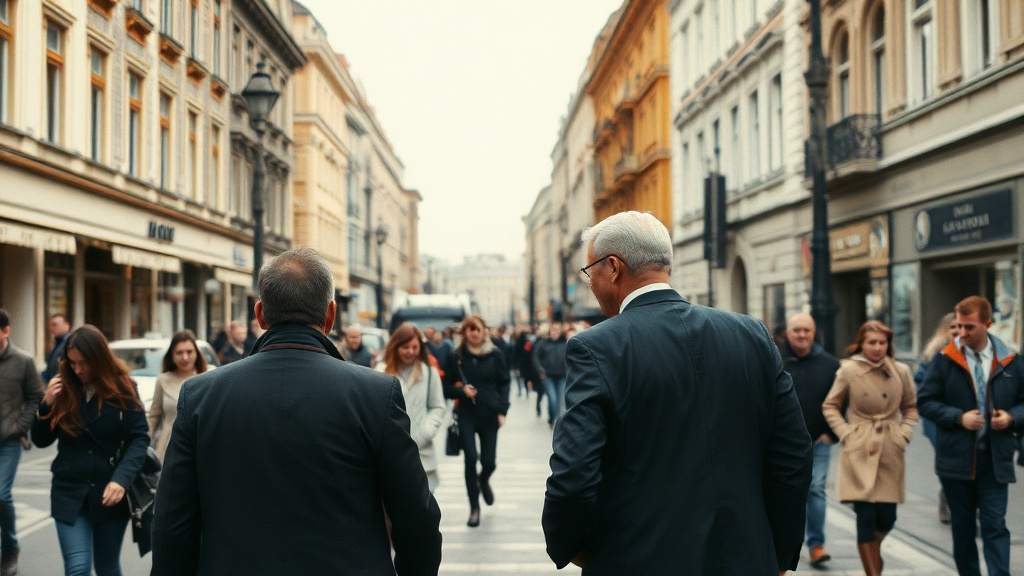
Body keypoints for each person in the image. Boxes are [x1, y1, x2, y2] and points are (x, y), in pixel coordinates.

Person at [542, 211, 812, 574]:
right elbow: (794, 455)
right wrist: (777, 554)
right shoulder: (752, 335)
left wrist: (572, 546)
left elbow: (574, 476)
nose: (591, 283)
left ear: (614, 267)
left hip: (638, 558)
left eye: (590, 272)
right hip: (745, 557)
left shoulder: (597, 348)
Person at [151, 247, 441, 575]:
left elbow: (172, 524)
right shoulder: (374, 395)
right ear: (330, 316)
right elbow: (416, 517)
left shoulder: (200, 396)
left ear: (260, 315)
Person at [918, 296, 1024, 576]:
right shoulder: (945, 359)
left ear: (987, 324)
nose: (961, 333)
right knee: (963, 530)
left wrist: (1011, 417)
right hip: (956, 461)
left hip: (995, 460)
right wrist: (957, 417)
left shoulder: (1011, 360)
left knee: (995, 525)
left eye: (969, 327)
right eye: (959, 326)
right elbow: (925, 402)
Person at [32, 325, 149, 576]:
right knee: (78, 568)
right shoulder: (64, 387)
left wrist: (121, 480)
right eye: (72, 363)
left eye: (83, 363)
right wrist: (46, 405)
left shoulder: (124, 388)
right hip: (69, 491)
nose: (78, 370)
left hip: (109, 493)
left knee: (107, 568)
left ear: (99, 358)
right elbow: (41, 441)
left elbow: (139, 438)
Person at [822, 320, 918, 576]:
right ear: (861, 344)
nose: (877, 348)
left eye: (882, 342)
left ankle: (873, 557)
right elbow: (830, 405)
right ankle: (873, 572)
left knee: (888, 518)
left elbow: (910, 407)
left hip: (889, 447)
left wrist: (903, 434)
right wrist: (846, 434)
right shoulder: (849, 370)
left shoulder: (901, 371)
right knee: (864, 517)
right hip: (859, 449)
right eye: (872, 342)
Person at [779, 312, 840, 567]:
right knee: (787, 493)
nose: (802, 335)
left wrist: (832, 433)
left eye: (807, 330)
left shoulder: (831, 364)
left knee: (815, 490)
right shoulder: (776, 361)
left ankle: (816, 545)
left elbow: (842, 400)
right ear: (788, 334)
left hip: (819, 441)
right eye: (797, 330)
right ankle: (787, 545)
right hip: (783, 443)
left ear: (814, 334)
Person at [442, 315, 510, 528]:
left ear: (484, 331)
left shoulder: (495, 354)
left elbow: (504, 383)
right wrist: (461, 390)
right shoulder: (456, 356)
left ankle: (484, 480)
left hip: (490, 413)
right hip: (467, 414)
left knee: (489, 462)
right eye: (470, 330)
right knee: (470, 458)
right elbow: (445, 388)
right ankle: (474, 508)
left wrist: (502, 410)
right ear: (464, 333)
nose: (474, 333)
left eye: (477, 329)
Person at [376, 323, 446, 492]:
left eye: (415, 347)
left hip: (422, 452)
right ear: (395, 346)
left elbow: (437, 407)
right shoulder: (380, 371)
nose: (411, 351)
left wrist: (426, 431)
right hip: (390, 454)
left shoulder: (429, 372)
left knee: (423, 510)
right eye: (405, 347)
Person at [0, 309, 44, 576]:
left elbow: (37, 396)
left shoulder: (23, 361)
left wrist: (19, 426)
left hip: (9, 441)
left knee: (1, 496)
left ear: (6, 331)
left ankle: (10, 548)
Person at [914, 311, 957, 524]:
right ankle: (947, 499)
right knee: (946, 457)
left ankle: (957, 499)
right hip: (936, 416)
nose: (957, 331)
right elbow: (920, 380)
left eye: (962, 326)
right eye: (953, 327)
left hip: (959, 415)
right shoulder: (935, 351)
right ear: (945, 329)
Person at [148, 330, 208, 463]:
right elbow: (153, 417)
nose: (185, 357)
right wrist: (143, 446)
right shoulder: (163, 380)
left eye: (189, 352)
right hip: (168, 449)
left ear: (197, 353)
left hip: (201, 446)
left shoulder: (208, 379)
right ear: (172, 356)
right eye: (179, 353)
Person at [532, 322, 568, 429]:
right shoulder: (543, 343)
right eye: (553, 329)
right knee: (552, 398)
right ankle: (552, 418)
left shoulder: (565, 342)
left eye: (557, 330)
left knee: (560, 399)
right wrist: (541, 371)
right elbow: (535, 357)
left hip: (562, 375)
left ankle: (557, 420)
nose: (555, 332)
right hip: (548, 376)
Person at [41, 314, 71, 382]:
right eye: (50, 326)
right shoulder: (56, 344)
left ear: (66, 325)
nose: (51, 328)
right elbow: (49, 371)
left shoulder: (69, 344)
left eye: (54, 325)